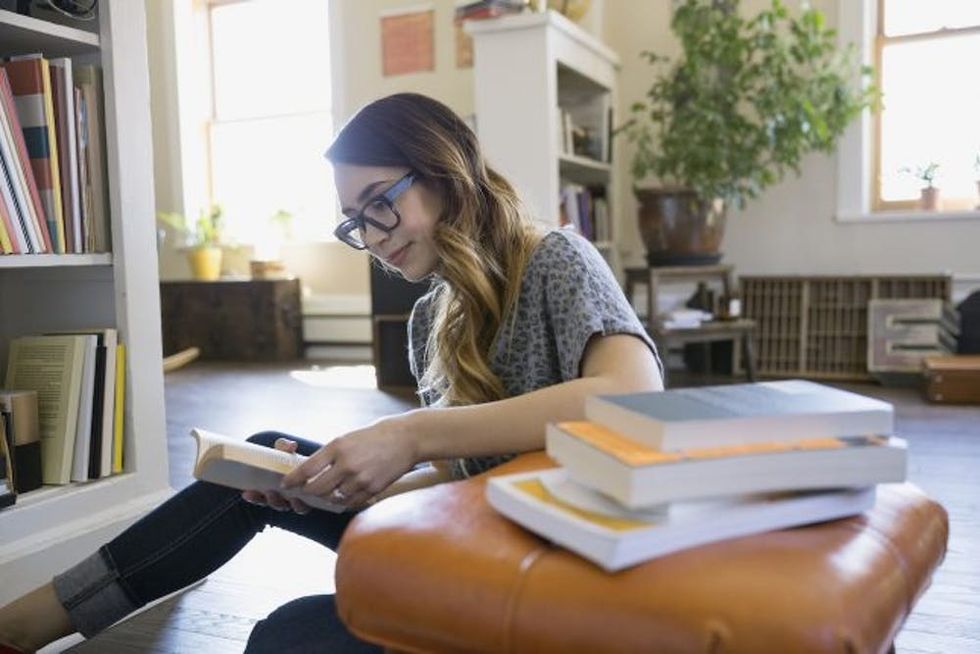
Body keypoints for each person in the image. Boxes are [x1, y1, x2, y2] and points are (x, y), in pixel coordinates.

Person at [0, 92, 663, 653]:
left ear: (444, 170)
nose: (372, 236)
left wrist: (414, 435)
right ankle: (23, 627)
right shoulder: (432, 315)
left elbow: (632, 396)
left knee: (283, 636)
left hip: (546, 557)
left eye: (380, 202)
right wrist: (353, 486)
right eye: (355, 221)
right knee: (261, 467)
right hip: (472, 533)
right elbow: (469, 475)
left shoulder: (555, 259)